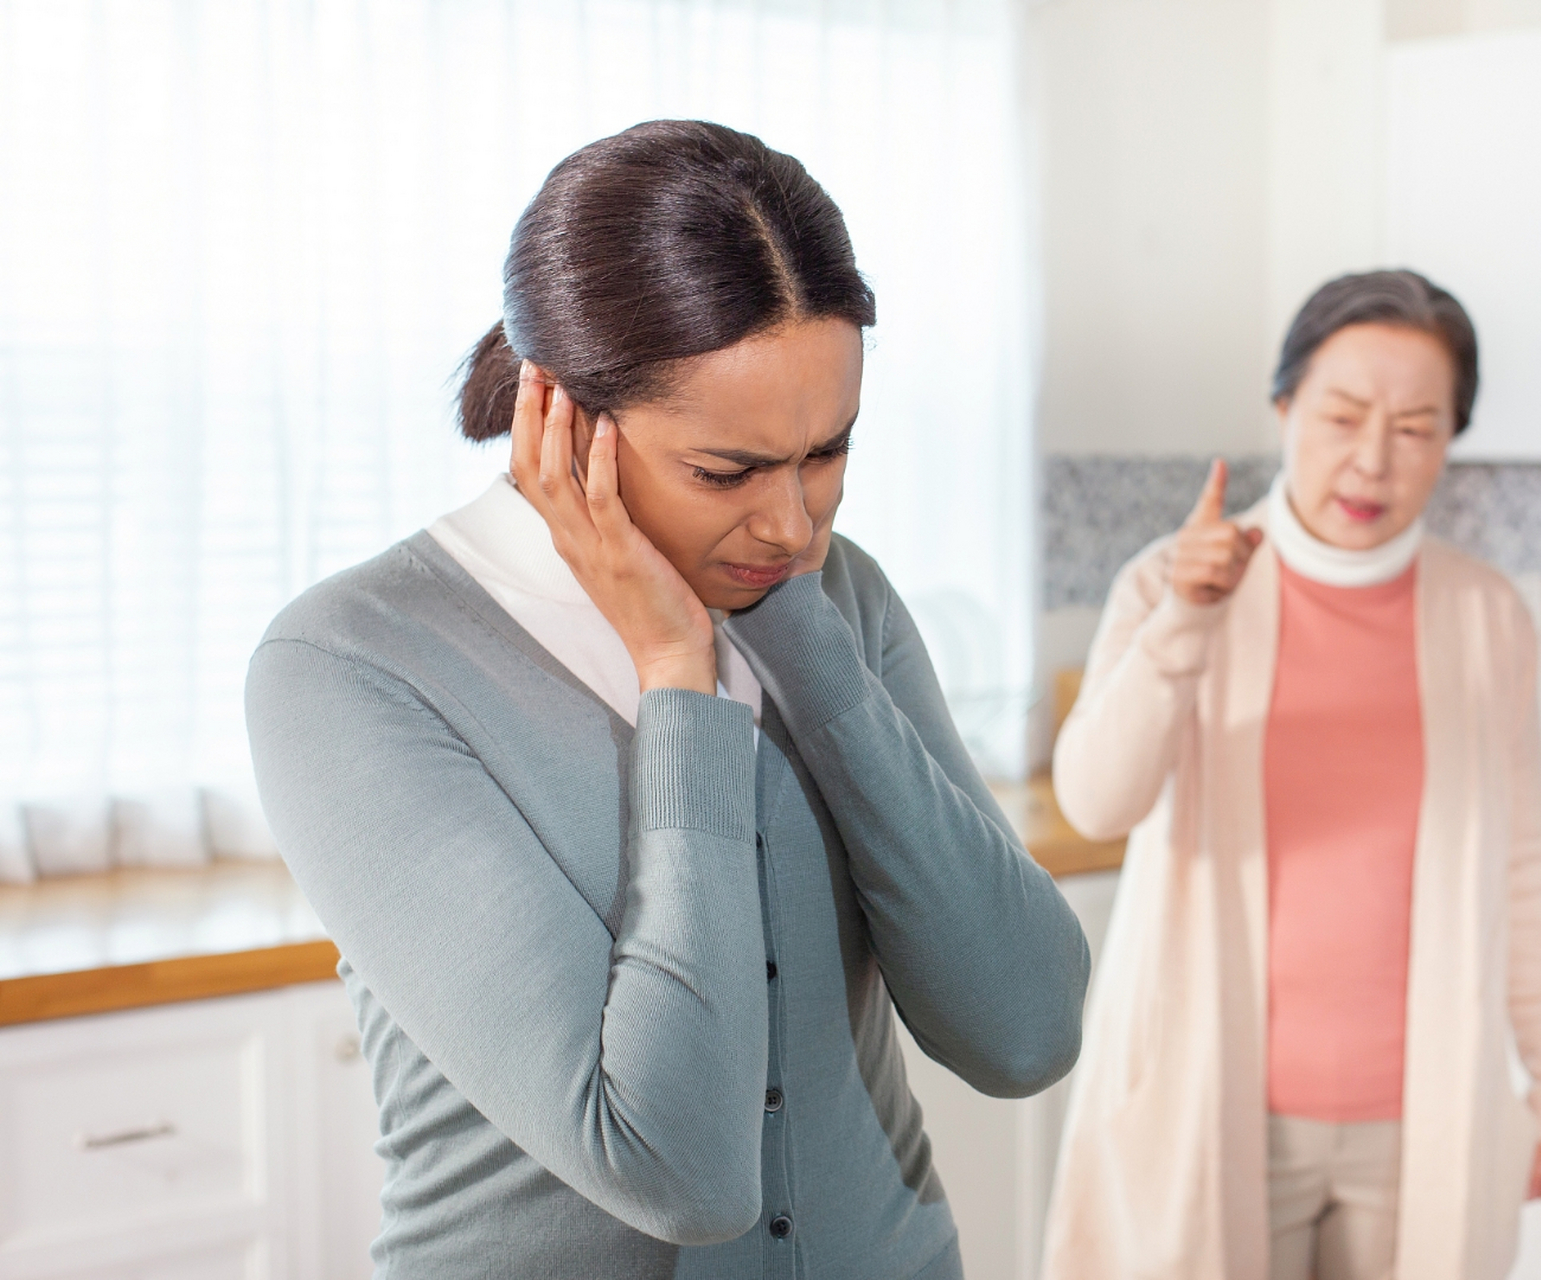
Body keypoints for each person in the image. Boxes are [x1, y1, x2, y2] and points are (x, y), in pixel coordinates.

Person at [246, 120, 1089, 1280]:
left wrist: (799, 630)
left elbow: (1025, 1027)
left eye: (827, 451)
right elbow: (675, 1168)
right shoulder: (352, 665)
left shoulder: (831, 592)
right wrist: (676, 678)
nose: (794, 523)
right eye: (726, 471)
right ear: (563, 414)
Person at [1041, 271, 1541, 1280]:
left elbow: (1524, 866)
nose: (1373, 458)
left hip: (1419, 1118)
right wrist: (1185, 625)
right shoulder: (1174, 580)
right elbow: (1096, 799)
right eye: (1341, 415)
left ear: (1452, 439)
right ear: (1285, 404)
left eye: (1418, 428)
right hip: (1212, 1100)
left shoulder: (1486, 617)